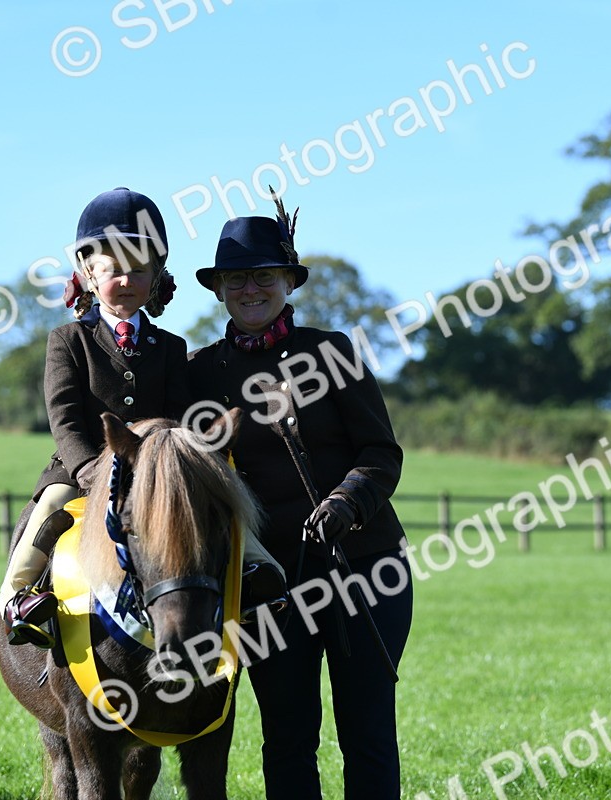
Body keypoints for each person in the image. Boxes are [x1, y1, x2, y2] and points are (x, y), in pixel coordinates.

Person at [186, 201, 414, 799]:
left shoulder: (333, 353)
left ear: (289, 281)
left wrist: (347, 501)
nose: (250, 289)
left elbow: (382, 453)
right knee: (287, 738)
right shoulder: (201, 374)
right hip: (269, 585)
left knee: (367, 732)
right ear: (219, 291)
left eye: (264, 275)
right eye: (236, 278)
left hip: (365, 568)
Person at [0, 187, 286, 648]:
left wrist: (173, 463)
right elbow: (66, 418)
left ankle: (254, 570)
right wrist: (90, 468)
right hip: (82, 466)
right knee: (51, 504)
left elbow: (178, 413)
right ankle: (19, 595)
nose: (126, 280)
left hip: (157, 468)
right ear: (89, 275)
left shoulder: (170, 347)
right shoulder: (68, 340)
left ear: (155, 278)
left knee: (218, 496)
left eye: (139, 270)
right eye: (113, 270)